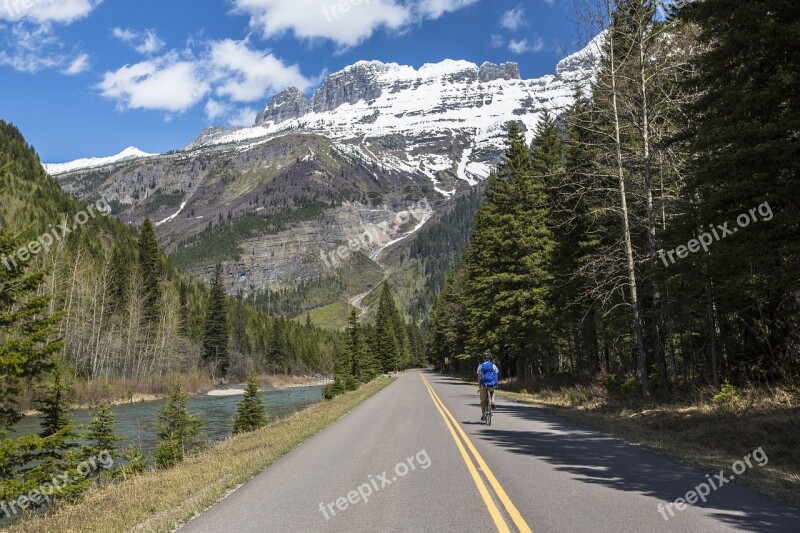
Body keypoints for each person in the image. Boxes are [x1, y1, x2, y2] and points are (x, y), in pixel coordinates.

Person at [477, 352, 499, 422]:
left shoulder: (481, 366)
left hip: (483, 385)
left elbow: (478, 375)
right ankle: (492, 401)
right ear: (490, 358)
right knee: (493, 391)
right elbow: (496, 373)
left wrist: (479, 385)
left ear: (484, 358)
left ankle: (483, 415)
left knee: (482, 401)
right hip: (491, 384)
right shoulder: (493, 365)